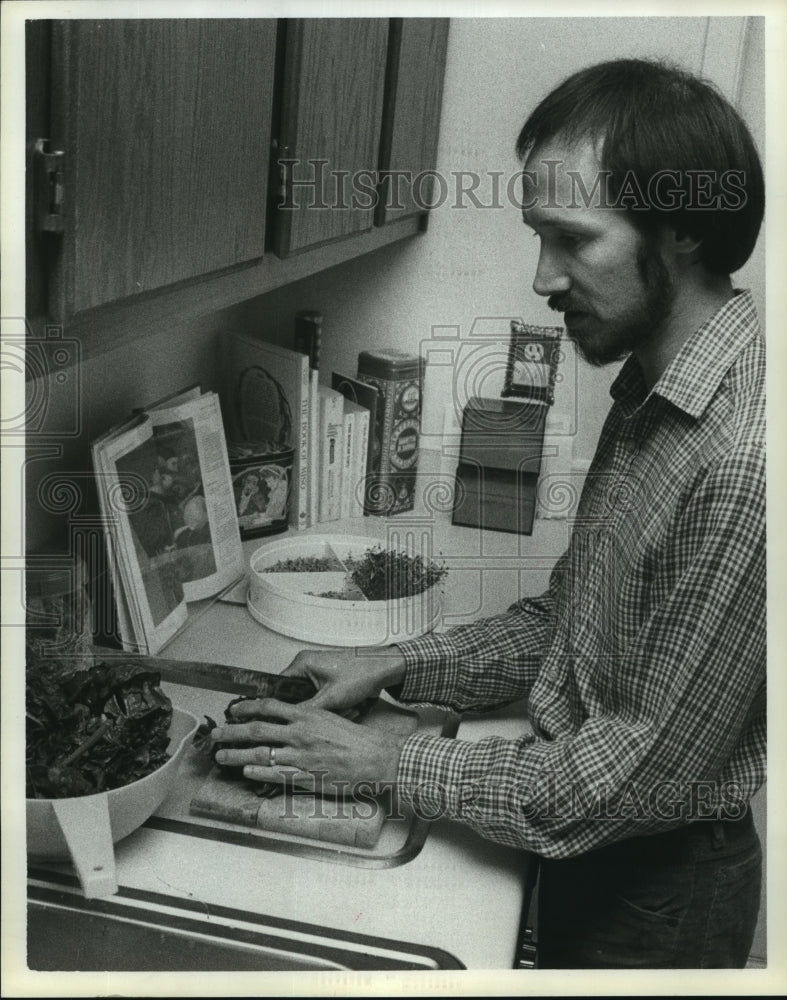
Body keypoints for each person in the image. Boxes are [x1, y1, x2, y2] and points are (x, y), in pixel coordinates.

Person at [211, 59, 766, 969]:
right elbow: (568, 626)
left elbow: (634, 780)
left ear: (681, 230)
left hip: (658, 891)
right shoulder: (653, 395)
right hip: (599, 858)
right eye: (535, 237)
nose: (543, 280)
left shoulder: (745, 462)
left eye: (573, 240)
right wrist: (394, 662)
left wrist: (389, 764)